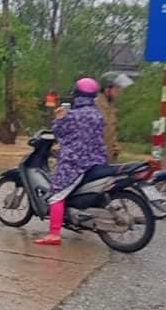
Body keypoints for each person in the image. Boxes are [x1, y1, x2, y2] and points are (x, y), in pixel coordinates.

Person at [35, 77, 107, 246]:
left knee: (57, 195)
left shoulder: (73, 116)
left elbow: (59, 133)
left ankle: (54, 234)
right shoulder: (97, 115)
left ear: (77, 94)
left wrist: (59, 117)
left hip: (75, 163)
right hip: (97, 160)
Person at [96, 71, 134, 162]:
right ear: (107, 89)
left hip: (107, 159)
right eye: (117, 88)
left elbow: (110, 132)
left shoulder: (110, 108)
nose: (120, 91)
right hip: (95, 160)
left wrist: (114, 146)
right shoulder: (96, 107)